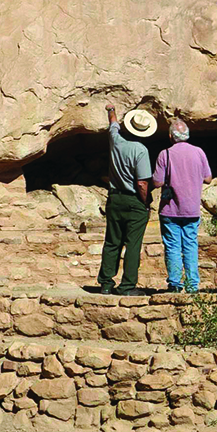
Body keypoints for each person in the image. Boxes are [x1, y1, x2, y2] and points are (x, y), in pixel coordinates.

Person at [96, 105, 156, 295]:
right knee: (133, 244)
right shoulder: (141, 150)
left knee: (112, 241)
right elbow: (141, 183)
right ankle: (127, 286)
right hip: (134, 201)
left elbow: (113, 123)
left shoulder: (116, 140)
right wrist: (146, 203)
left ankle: (106, 283)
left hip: (115, 198)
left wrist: (111, 109)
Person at [152, 118, 213, 293]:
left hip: (170, 209)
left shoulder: (165, 154)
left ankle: (175, 284)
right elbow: (208, 178)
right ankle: (193, 284)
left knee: (172, 246)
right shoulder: (199, 152)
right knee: (190, 246)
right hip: (192, 208)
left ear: (171, 136)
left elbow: (157, 182)